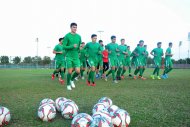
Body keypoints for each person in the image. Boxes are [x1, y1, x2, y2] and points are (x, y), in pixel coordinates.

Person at [62, 22, 82, 90]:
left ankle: (72, 80)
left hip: (76, 56)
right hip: (69, 56)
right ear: (71, 28)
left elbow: (79, 47)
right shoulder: (67, 36)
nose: (75, 28)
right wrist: (71, 46)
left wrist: (79, 51)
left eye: (76, 27)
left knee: (78, 71)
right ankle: (68, 85)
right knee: (70, 71)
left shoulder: (79, 36)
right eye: (73, 27)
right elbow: (64, 46)